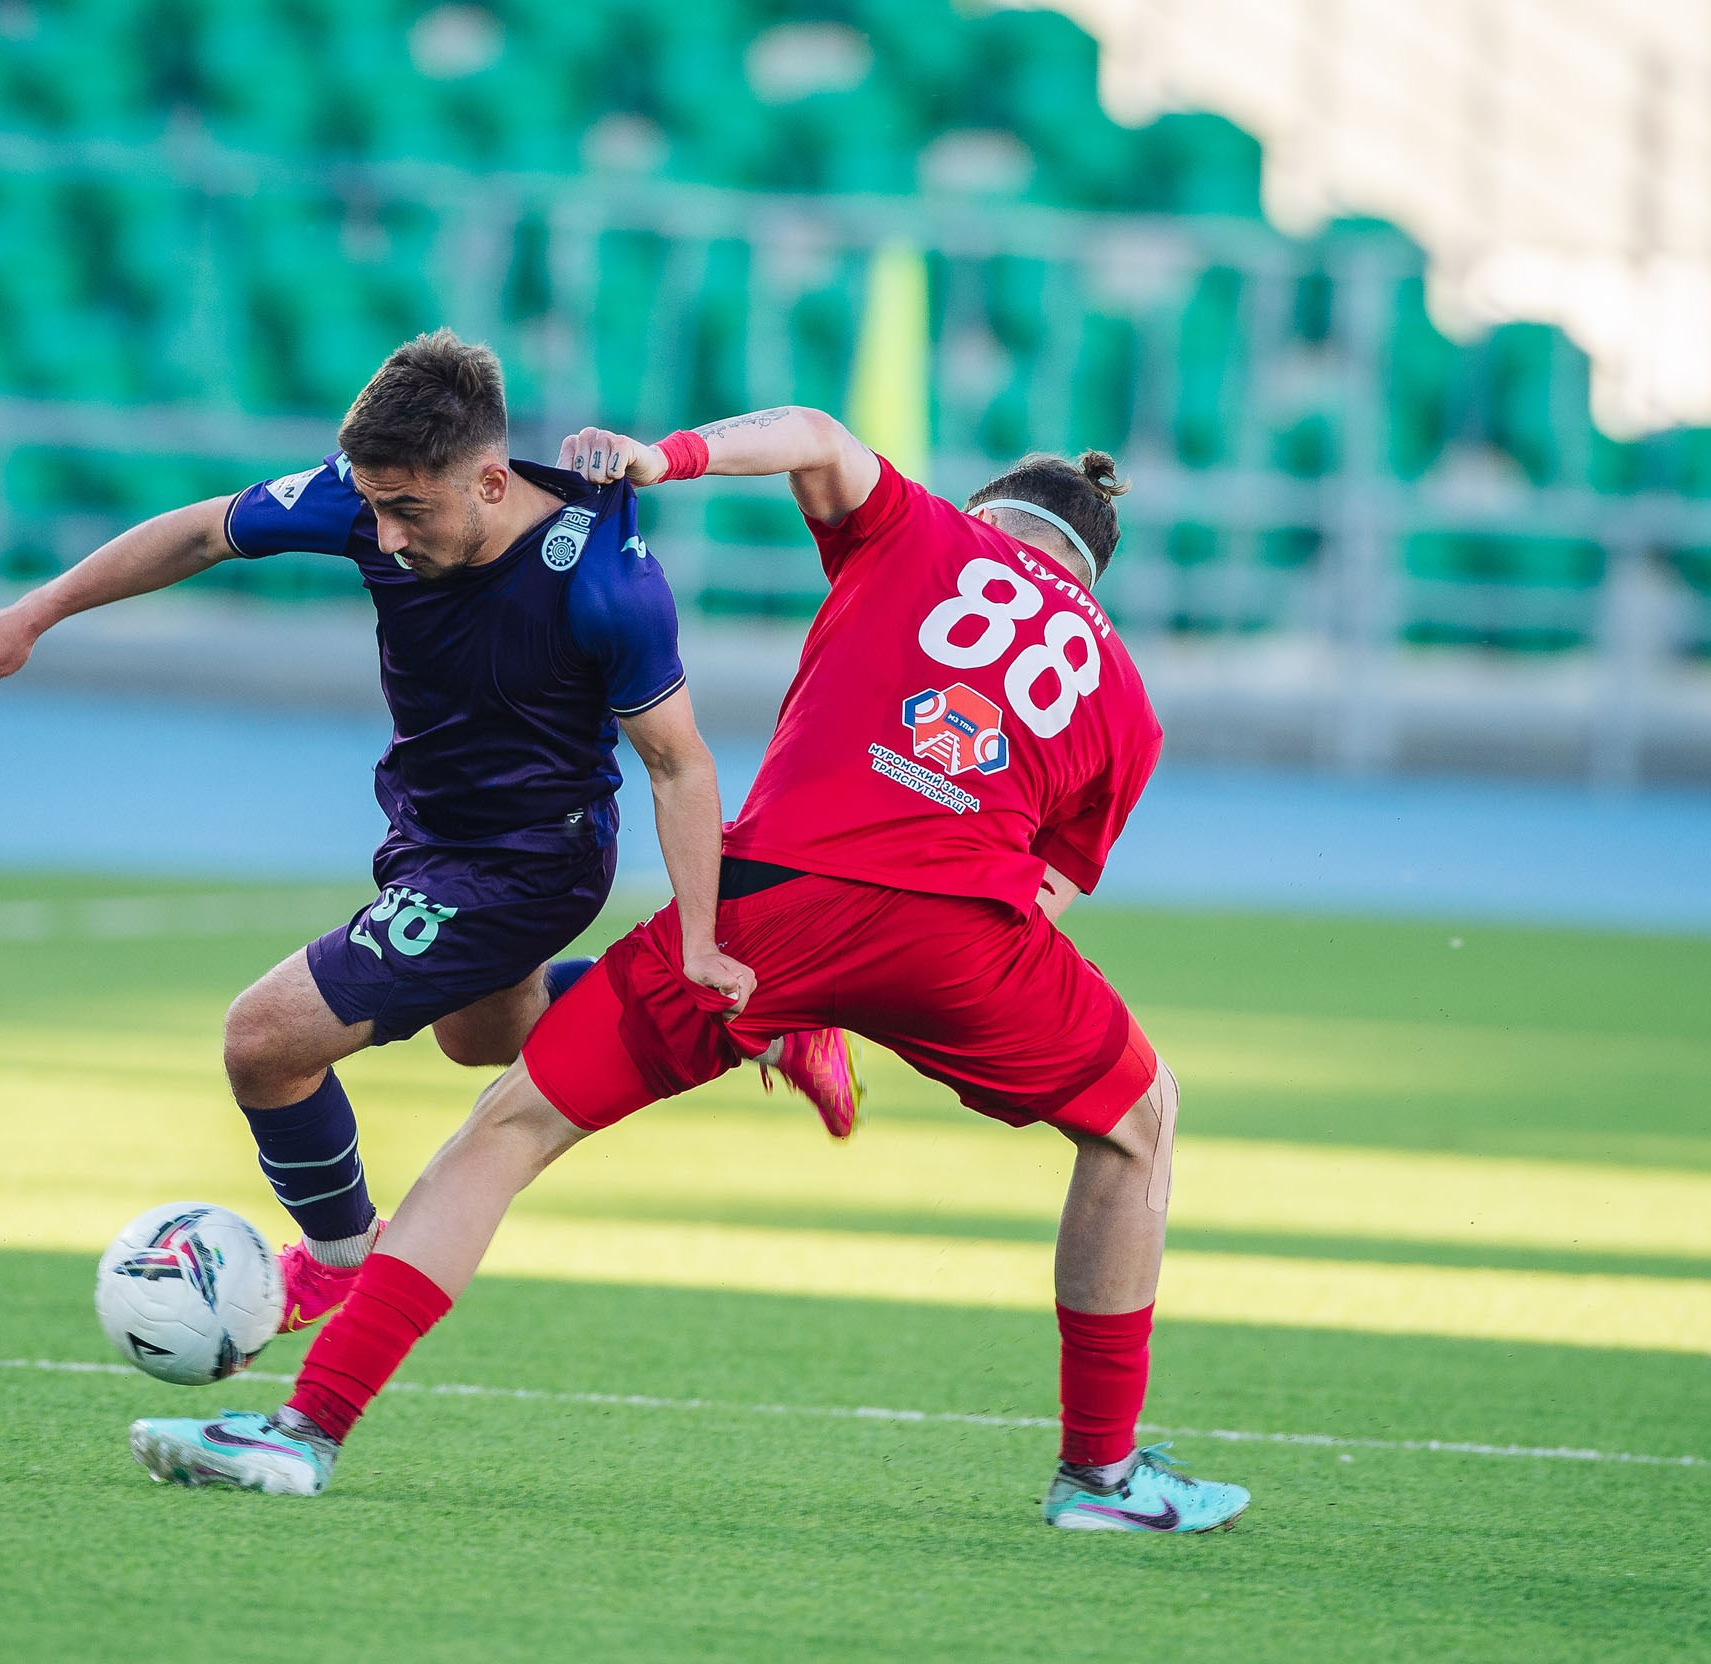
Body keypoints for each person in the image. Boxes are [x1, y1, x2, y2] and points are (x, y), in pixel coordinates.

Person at [128, 405, 1250, 1533]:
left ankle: (303, 1432)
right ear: (1089, 578)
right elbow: (1040, 894)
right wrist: (888, 988)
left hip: (766, 912)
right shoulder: (1126, 704)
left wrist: (666, 460)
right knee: (1137, 1119)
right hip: (958, 936)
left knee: (505, 1128)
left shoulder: (919, 530)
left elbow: (813, 432)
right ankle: (1100, 1478)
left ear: (983, 517)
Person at [0, 336, 859, 1331]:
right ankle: (756, 1015)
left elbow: (678, 762)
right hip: (429, 832)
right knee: (480, 1037)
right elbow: (205, 531)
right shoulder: (376, 495)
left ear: (491, 481)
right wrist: (33, 613)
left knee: (264, 1040)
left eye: (406, 512)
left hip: (528, 861)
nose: (379, 536)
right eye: (371, 506)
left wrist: (702, 935)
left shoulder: (603, 580)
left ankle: (338, 1260)